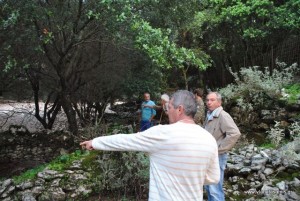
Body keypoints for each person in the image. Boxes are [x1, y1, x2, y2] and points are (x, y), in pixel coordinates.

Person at [80, 90, 220, 201]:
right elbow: (214, 178)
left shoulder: (162, 134)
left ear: (179, 109)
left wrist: (95, 142)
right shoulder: (209, 139)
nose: (166, 111)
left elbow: (126, 141)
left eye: (169, 107)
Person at [203, 92, 241, 201]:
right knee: (209, 187)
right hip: (208, 156)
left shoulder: (223, 115)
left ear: (219, 102)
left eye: (212, 100)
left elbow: (234, 134)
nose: (208, 102)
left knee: (215, 189)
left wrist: (218, 149)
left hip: (217, 156)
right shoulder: (210, 114)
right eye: (207, 100)